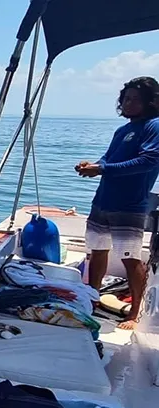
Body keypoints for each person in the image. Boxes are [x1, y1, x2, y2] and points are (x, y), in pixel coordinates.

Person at [75, 76, 159, 330]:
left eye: (136, 99)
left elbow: (148, 161)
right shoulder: (123, 130)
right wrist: (92, 164)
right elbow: (108, 157)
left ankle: (135, 314)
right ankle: (93, 298)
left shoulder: (154, 126)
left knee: (130, 258)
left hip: (129, 205)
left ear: (151, 102)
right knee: (97, 252)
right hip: (103, 201)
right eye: (126, 99)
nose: (129, 103)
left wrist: (102, 169)